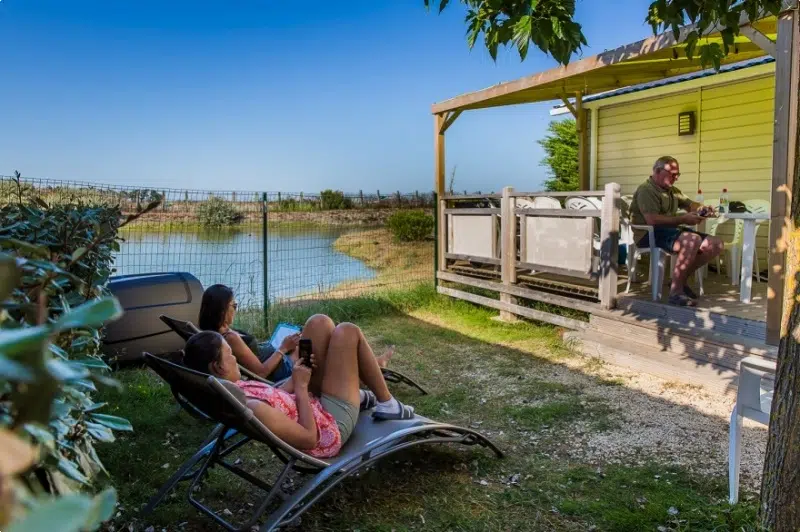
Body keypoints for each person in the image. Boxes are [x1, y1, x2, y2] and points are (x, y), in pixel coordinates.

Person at [183, 315, 415, 458]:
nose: (235, 359)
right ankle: (387, 404)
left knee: (318, 322)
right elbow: (309, 439)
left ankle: (360, 392)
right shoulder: (253, 406)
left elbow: (275, 395)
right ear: (219, 367)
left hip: (313, 405)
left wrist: (297, 373)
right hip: (328, 426)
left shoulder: (232, 388)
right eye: (230, 355)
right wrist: (302, 388)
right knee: (348, 331)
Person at [198, 284, 395, 381]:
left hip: (279, 356)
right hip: (281, 370)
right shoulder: (229, 339)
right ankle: (373, 366)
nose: (236, 308)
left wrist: (280, 345)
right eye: (234, 305)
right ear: (222, 310)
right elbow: (261, 372)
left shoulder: (218, 332)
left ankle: (370, 365)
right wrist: (284, 349)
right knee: (320, 344)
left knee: (310, 338)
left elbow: (253, 355)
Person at [629, 156, 724, 307]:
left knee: (715, 244)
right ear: (658, 171)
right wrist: (683, 219)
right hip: (648, 234)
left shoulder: (672, 190)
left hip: (669, 231)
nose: (676, 178)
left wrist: (702, 209)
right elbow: (652, 220)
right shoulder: (646, 190)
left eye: (677, 174)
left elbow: (690, 205)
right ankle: (676, 293)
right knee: (692, 240)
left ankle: (679, 279)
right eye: (672, 174)